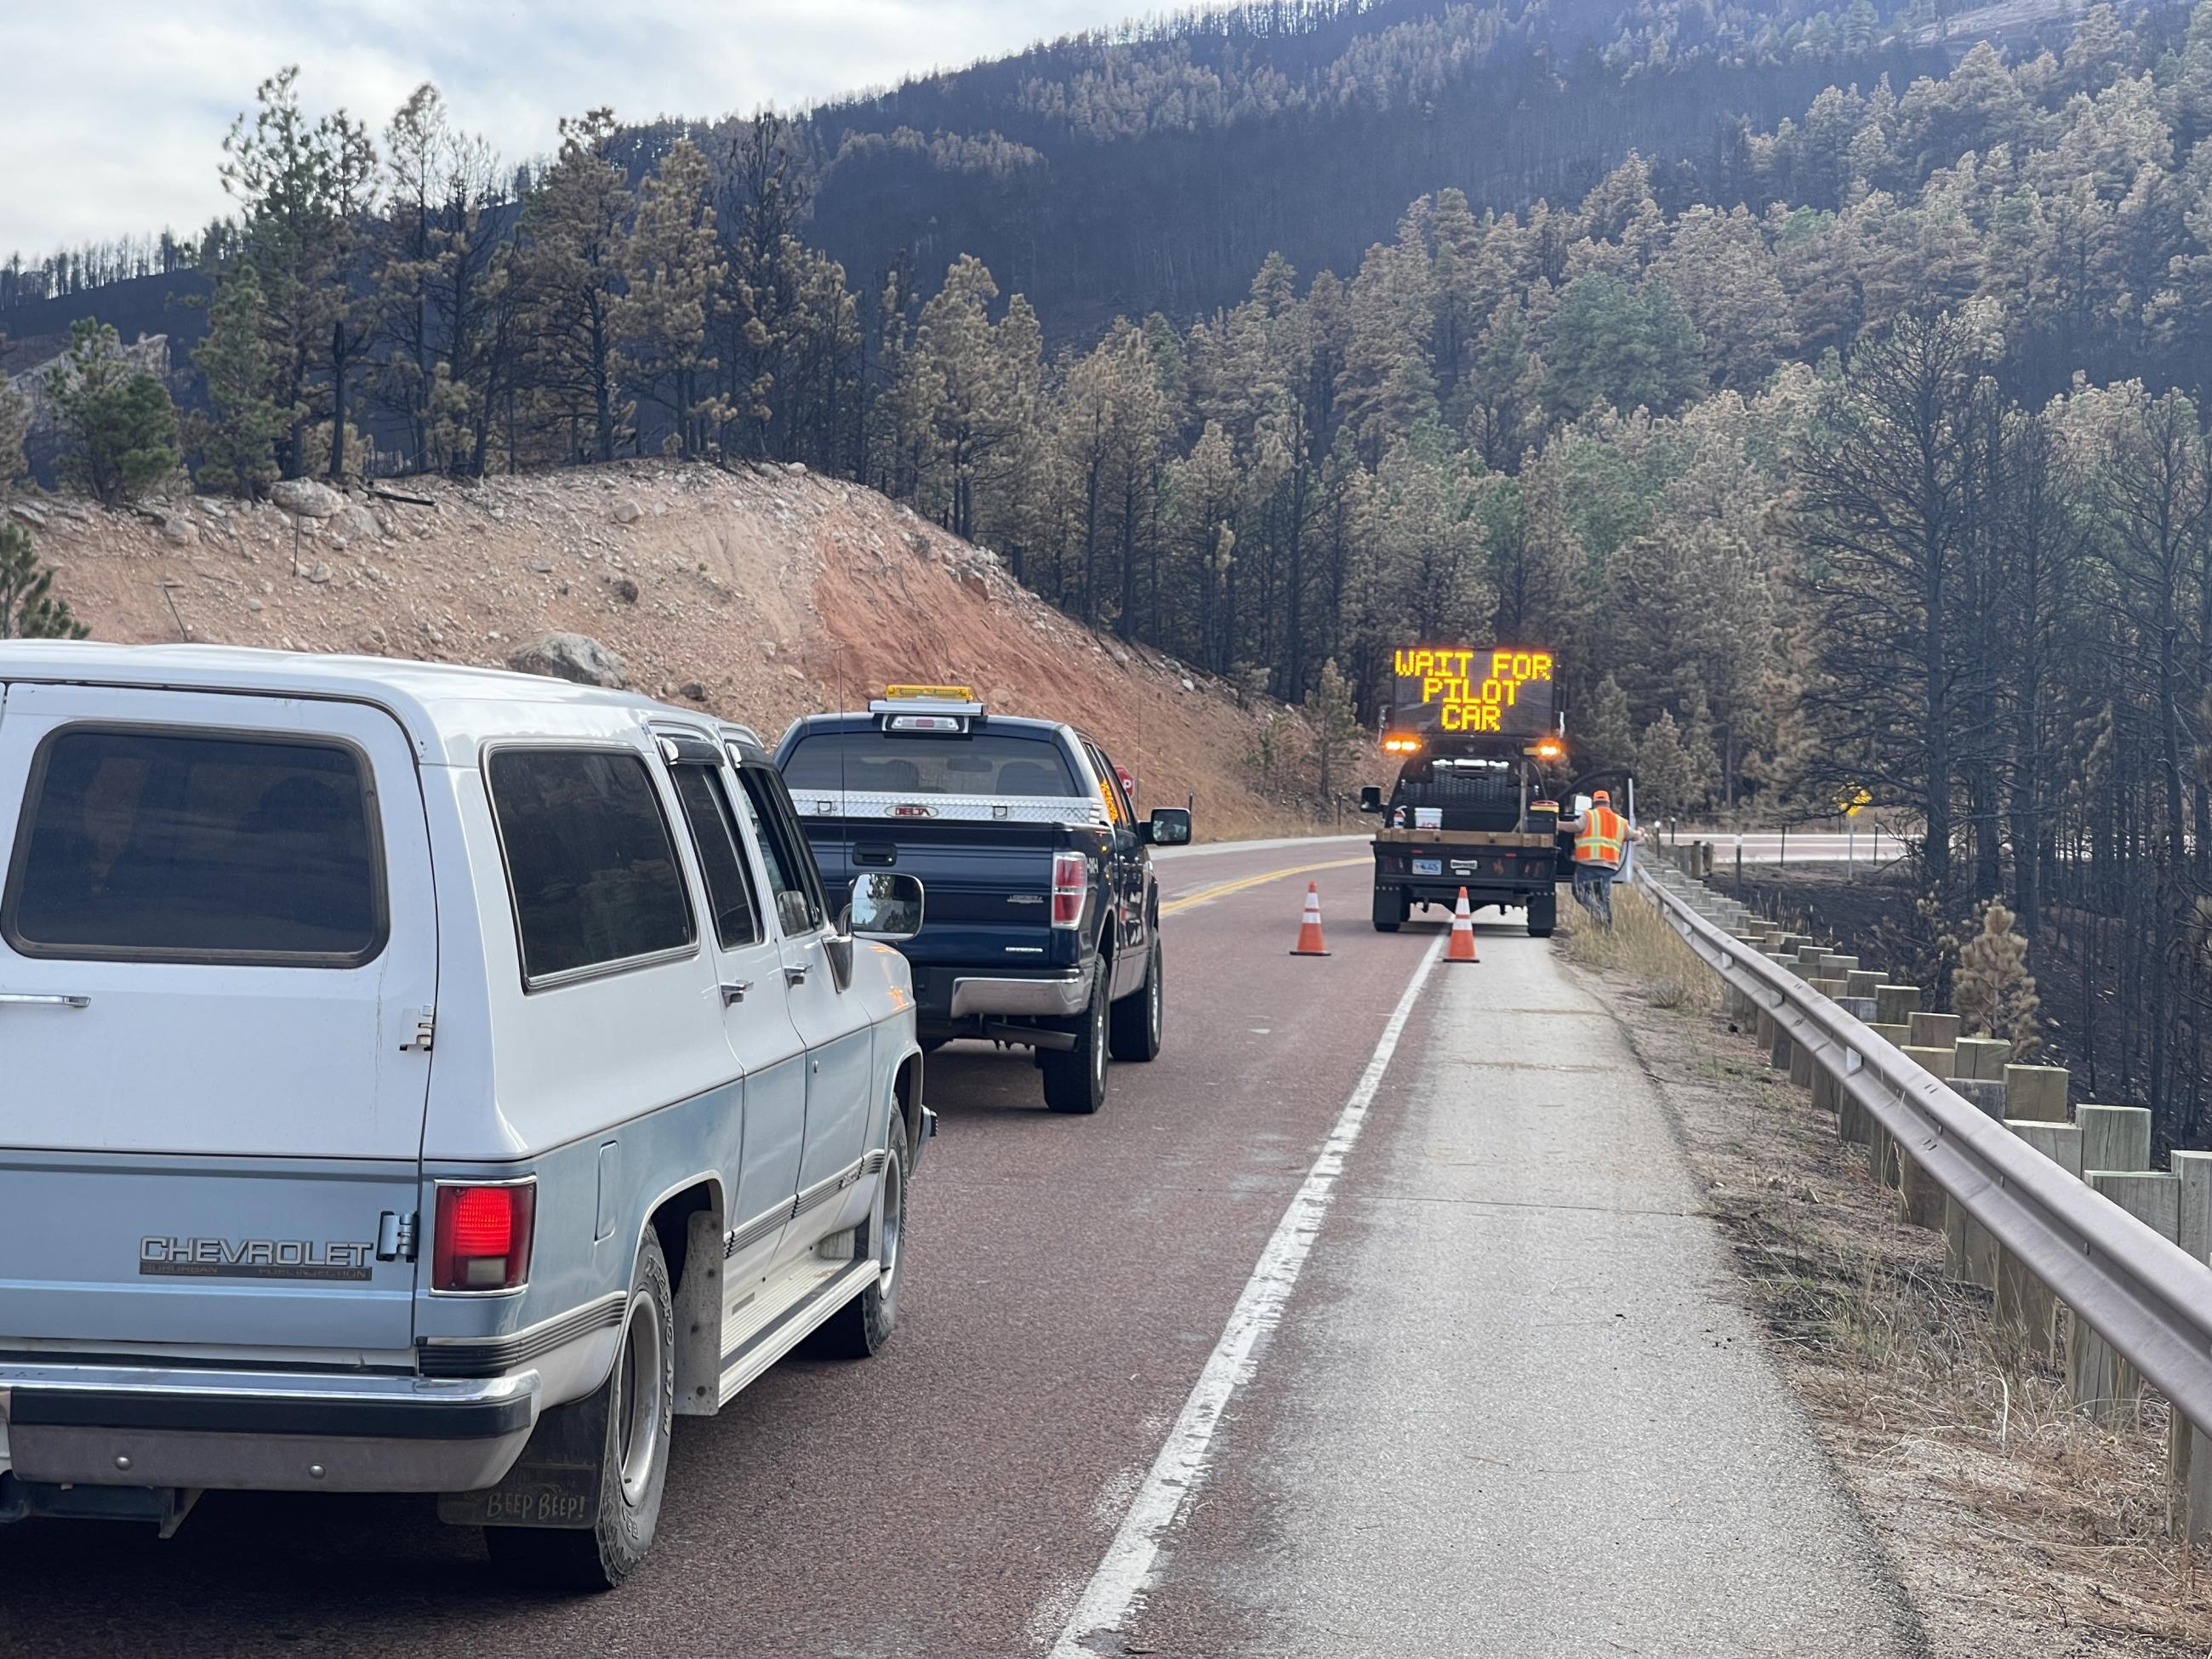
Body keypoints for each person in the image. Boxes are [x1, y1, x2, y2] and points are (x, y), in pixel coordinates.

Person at [1562, 788, 1638, 925]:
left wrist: (1558, 824)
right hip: (1609, 865)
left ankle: (1596, 911)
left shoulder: (1589, 815)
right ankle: (1605, 929)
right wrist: (1641, 833)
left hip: (1587, 863)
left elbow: (1576, 826)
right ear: (1608, 803)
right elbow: (1634, 836)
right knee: (1603, 897)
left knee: (1579, 891)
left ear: (1595, 802)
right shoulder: (1620, 821)